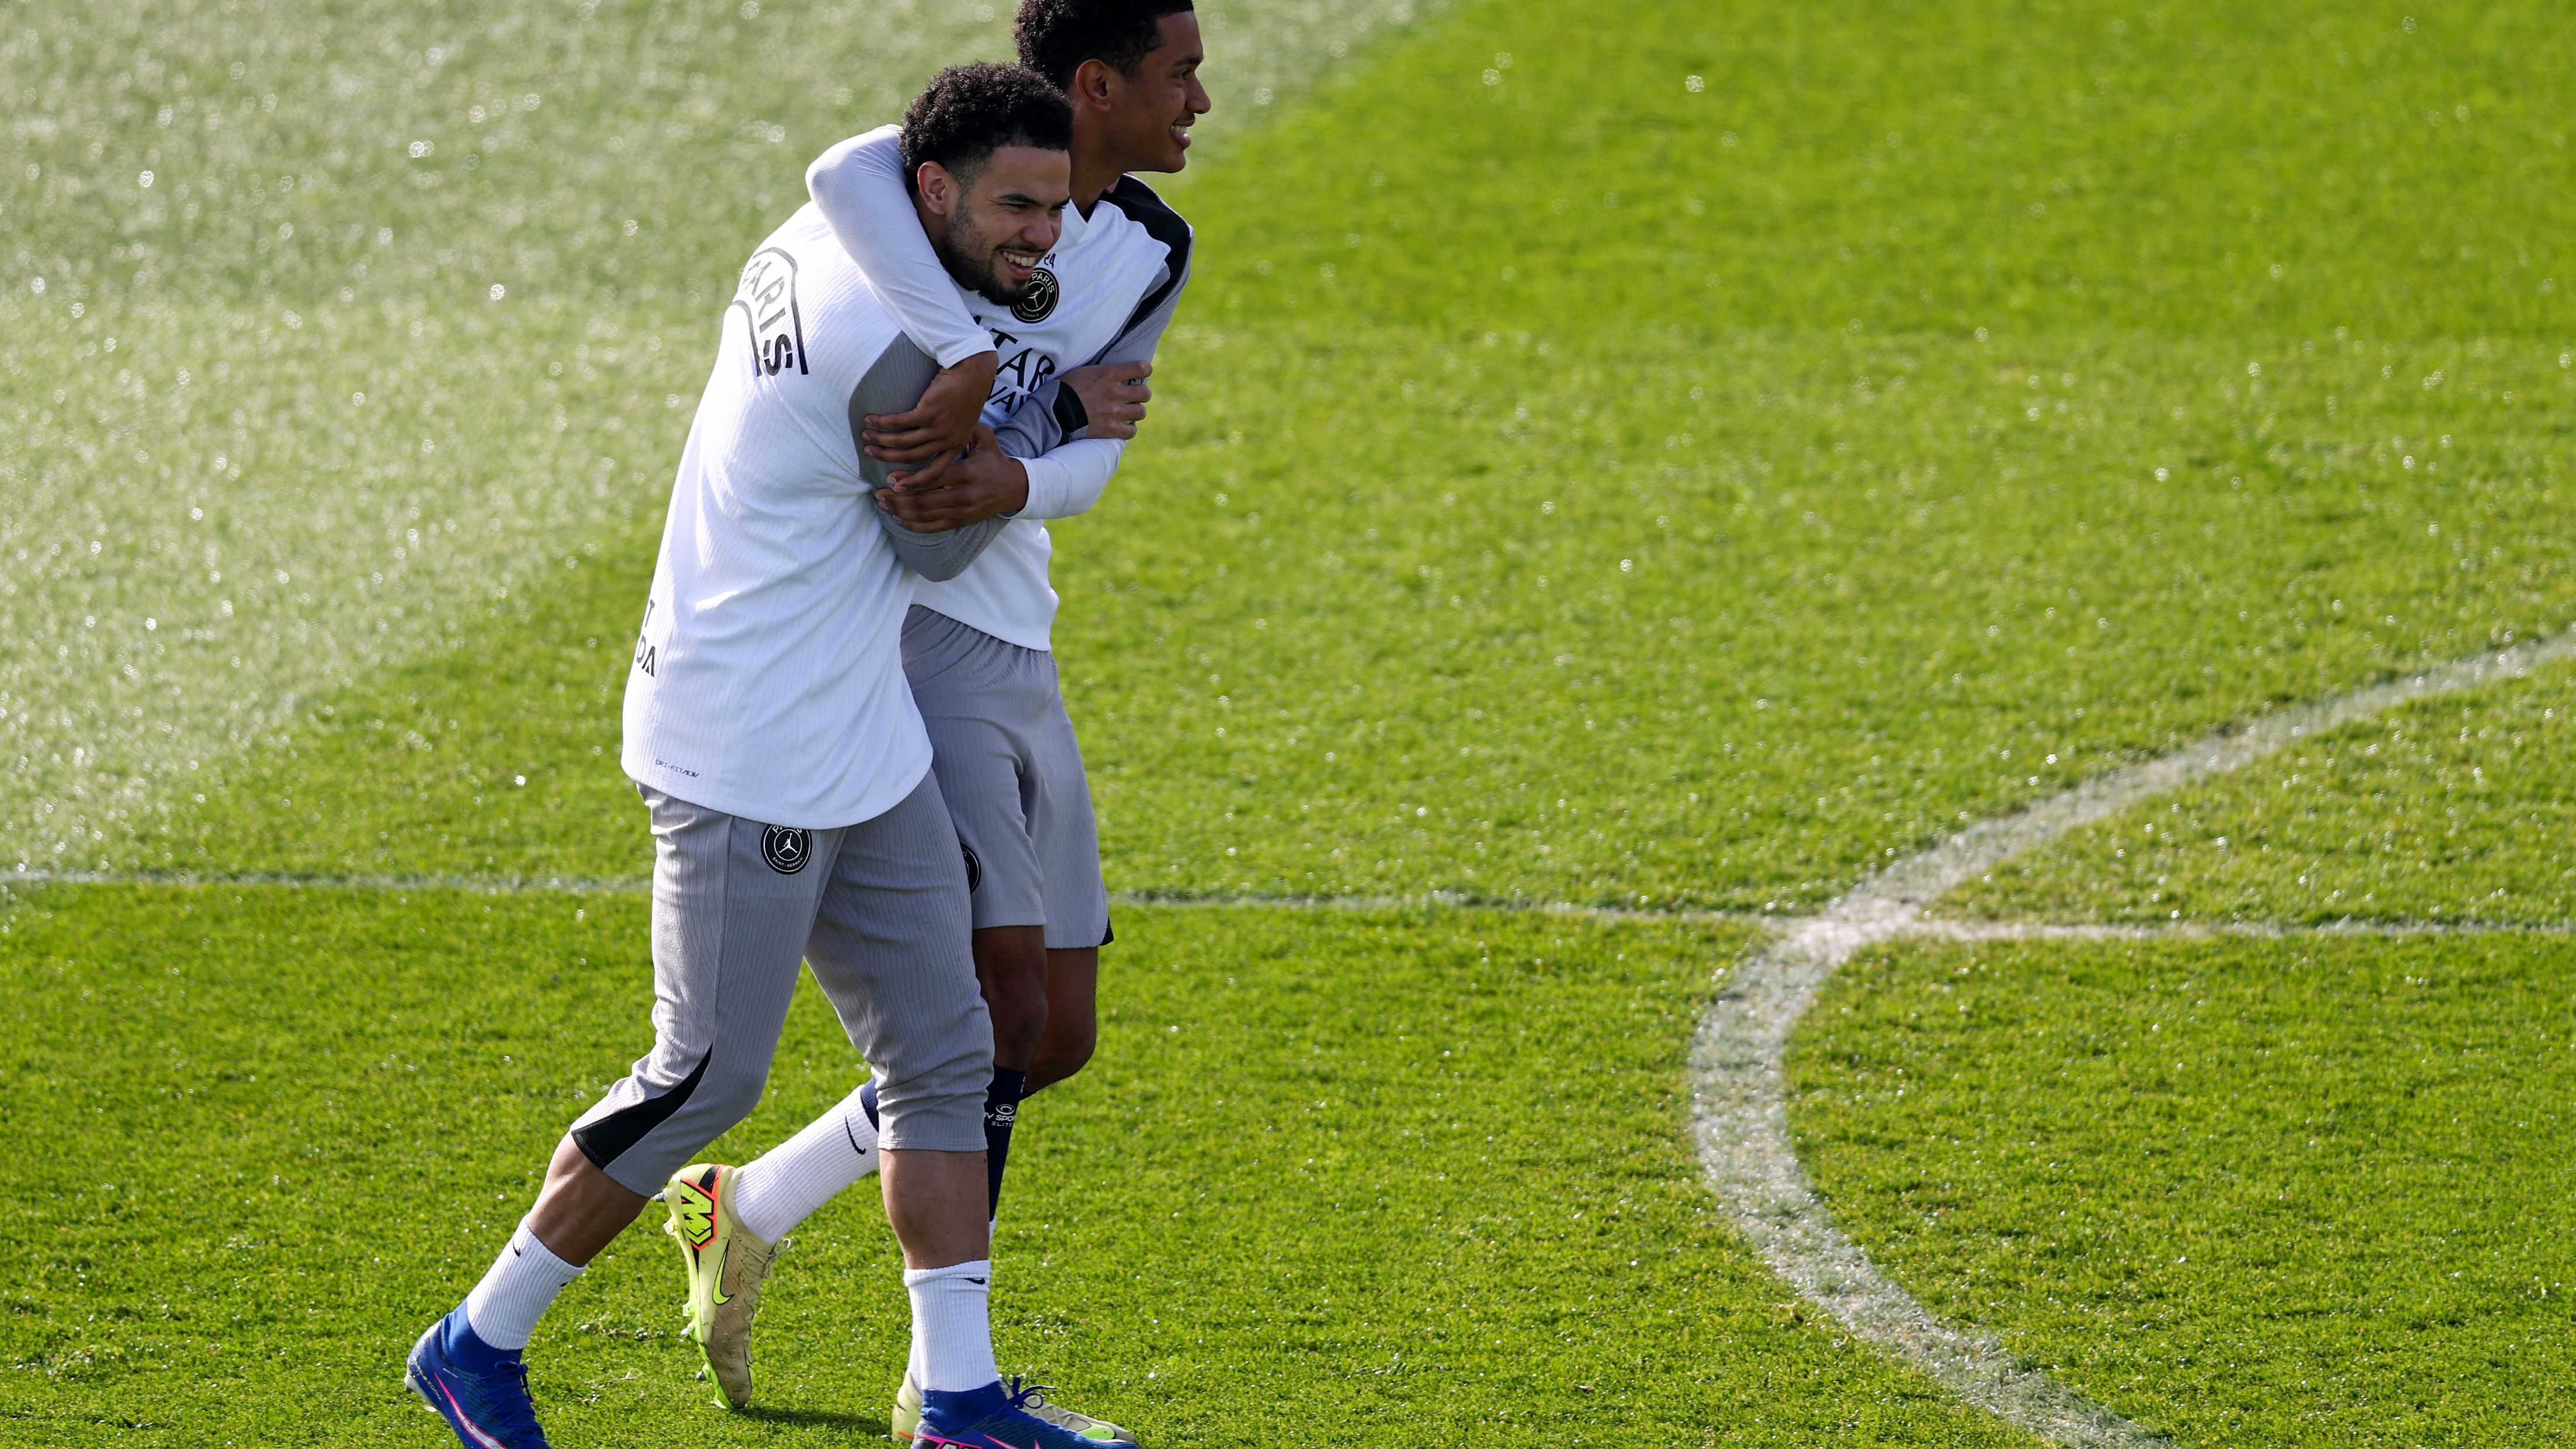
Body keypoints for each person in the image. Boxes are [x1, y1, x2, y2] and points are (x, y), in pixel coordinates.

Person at [403, 63, 1136, 1449]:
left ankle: (958, 1402)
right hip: (751, 742)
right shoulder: (892, 347)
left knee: (947, 1052)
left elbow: (852, 157)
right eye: (1017, 209)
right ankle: (474, 1341)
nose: (1044, 236)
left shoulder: (848, 217)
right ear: (936, 192)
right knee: (704, 1077)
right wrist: (1058, 418)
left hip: (857, 722)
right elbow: (940, 545)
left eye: (1055, 207)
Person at [652, 2, 1209, 1440]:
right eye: (1182, 72)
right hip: (917, 635)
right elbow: (844, 170)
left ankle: (748, 1202)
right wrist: (986, 376)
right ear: (1097, 84)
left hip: (1020, 633)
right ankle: (948, 1384)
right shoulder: (931, 186)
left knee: (1055, 1032)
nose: (1202, 100)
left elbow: (1100, 439)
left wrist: (1018, 469)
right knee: (991, 1015)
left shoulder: (1150, 248)